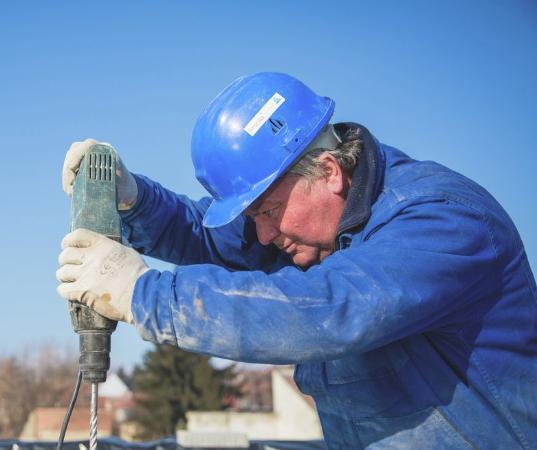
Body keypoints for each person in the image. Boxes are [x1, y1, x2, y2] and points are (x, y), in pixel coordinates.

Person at [56, 72, 537, 449]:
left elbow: (331, 309)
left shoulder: (442, 221)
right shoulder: (314, 231)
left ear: (328, 171)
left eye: (266, 211)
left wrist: (143, 293)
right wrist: (135, 201)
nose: (262, 234)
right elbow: (209, 236)